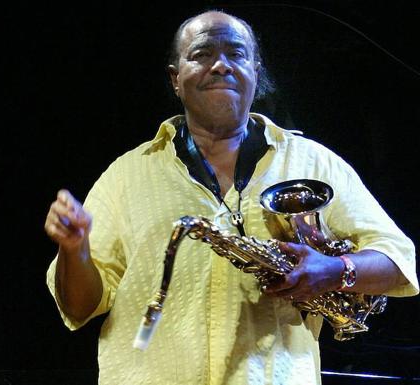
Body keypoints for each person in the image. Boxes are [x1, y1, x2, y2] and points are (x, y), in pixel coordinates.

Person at [43, 9, 419, 385]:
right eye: (203, 54)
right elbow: (79, 307)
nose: (220, 65)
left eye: (236, 55)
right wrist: (74, 249)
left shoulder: (315, 163)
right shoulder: (125, 175)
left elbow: (398, 260)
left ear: (255, 72)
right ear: (176, 79)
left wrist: (334, 271)